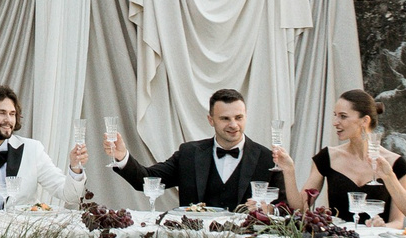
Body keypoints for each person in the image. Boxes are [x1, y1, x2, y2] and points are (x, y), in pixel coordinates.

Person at [103, 88, 300, 209]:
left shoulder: (267, 158)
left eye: (238, 118)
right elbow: (147, 180)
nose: (233, 124)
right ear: (211, 120)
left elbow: (285, 208)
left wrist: (269, 210)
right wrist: (122, 157)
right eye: (225, 118)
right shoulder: (189, 154)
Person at [0, 83, 81, 210]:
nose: (8, 120)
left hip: (23, 229)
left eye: (12, 113)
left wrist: (75, 167)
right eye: (1, 112)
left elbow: (69, 195)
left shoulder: (32, 150)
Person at [304, 89, 406, 224]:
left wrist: (382, 226)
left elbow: (397, 222)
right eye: (335, 115)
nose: (335, 122)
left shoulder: (396, 164)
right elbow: (301, 206)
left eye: (343, 116)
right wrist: (289, 170)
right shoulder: (327, 157)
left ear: (365, 121)